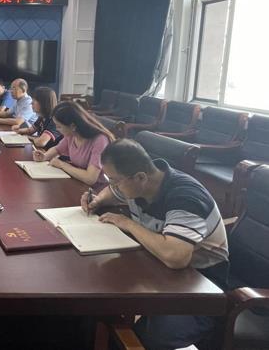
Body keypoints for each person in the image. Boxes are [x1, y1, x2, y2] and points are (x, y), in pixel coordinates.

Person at [82, 139, 228, 350]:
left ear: (140, 177)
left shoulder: (186, 197)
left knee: (144, 335)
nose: (112, 185)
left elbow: (175, 257)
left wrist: (128, 223)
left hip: (200, 288)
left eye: (115, 180)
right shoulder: (138, 183)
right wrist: (97, 201)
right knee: (97, 302)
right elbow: (112, 193)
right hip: (157, 270)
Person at [32, 101, 114, 189]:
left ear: (73, 126)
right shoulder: (71, 135)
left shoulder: (100, 140)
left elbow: (90, 178)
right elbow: (57, 149)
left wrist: (62, 165)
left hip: (96, 190)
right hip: (77, 182)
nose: (57, 129)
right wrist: (44, 156)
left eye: (59, 126)